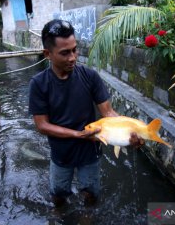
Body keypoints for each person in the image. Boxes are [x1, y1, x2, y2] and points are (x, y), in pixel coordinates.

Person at [28, 19, 144, 207]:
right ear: (47, 54)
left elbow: (109, 113)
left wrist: (130, 132)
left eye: (74, 49)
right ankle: (59, 214)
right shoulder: (39, 84)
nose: (73, 57)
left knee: (91, 194)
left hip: (90, 152)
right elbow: (42, 125)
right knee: (58, 195)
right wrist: (78, 134)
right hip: (61, 153)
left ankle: (88, 217)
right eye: (65, 53)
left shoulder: (90, 77)